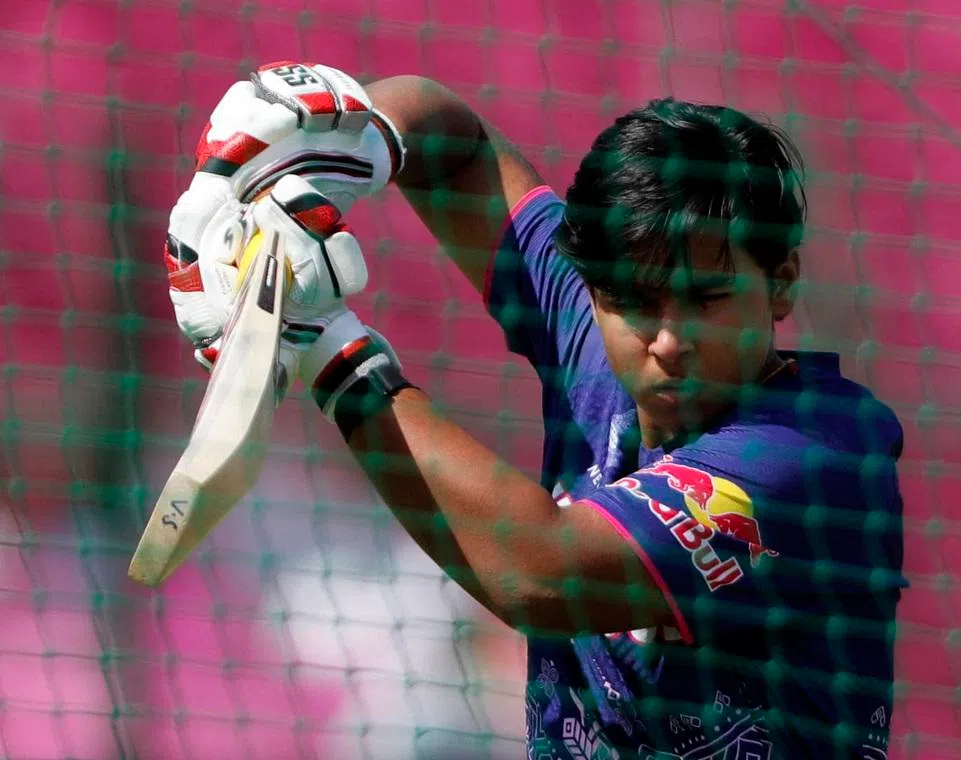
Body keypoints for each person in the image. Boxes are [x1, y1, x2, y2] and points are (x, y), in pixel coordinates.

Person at [165, 62, 908, 758]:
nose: (671, 341)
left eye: (708, 300)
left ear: (780, 284)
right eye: (637, 305)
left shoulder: (817, 457)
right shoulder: (593, 330)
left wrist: (333, 352)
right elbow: (455, 143)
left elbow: (542, 572)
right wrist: (350, 141)